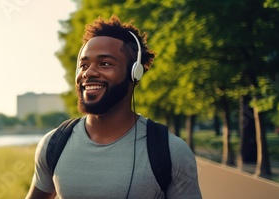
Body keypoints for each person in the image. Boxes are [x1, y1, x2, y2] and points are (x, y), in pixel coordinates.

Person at [26, 15, 202, 199]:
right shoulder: (53, 144)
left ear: (134, 73)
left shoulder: (171, 151)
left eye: (105, 64)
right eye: (84, 65)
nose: (89, 72)